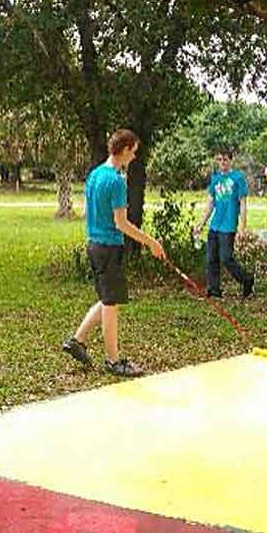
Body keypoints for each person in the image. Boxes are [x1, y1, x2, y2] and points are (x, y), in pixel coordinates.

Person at [62, 129, 166, 378]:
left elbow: (88, 212)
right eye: (134, 152)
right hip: (109, 248)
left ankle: (77, 341)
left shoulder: (95, 175)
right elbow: (121, 223)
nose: (134, 157)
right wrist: (151, 242)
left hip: (94, 245)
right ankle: (113, 361)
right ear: (126, 149)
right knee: (111, 304)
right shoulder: (117, 181)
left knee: (109, 298)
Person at [192, 147, 255, 299]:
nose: (222, 163)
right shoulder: (215, 179)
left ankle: (246, 280)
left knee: (226, 258)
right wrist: (201, 223)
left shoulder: (237, 178)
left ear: (230, 160)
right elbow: (210, 203)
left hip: (228, 225)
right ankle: (214, 290)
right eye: (219, 160)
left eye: (225, 159)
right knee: (211, 258)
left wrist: (242, 227)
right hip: (215, 225)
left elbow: (243, 203)